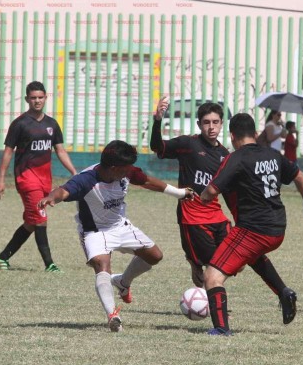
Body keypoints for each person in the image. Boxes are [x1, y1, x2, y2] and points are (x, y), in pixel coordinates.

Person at [150, 97, 300, 326]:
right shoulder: (188, 145)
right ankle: (218, 310)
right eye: (206, 122)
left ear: (223, 126)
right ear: (199, 125)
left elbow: (231, 193)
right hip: (194, 219)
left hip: (218, 218)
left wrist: (241, 220)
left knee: (245, 256)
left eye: (216, 122)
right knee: (216, 267)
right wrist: (158, 121)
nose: (211, 127)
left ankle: (281, 291)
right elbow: (158, 148)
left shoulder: (226, 155)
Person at [37, 140, 193, 332]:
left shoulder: (126, 172)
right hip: (95, 231)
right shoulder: (87, 179)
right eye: (125, 168)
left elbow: (147, 181)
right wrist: (51, 197)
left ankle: (123, 282)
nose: (129, 171)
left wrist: (179, 193)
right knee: (102, 266)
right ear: (112, 168)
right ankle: (113, 315)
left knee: (155, 256)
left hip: (120, 226)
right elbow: (64, 190)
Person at [200, 112, 303, 336]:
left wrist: (200, 196)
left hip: (254, 229)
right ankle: (284, 293)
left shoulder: (235, 158)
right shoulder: (272, 154)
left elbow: (211, 192)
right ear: (255, 134)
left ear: (232, 135)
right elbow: (300, 176)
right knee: (252, 255)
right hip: (278, 228)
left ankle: (221, 328)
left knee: (212, 277)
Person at [0, 81, 77, 272]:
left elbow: (60, 150)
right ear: (26, 99)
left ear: (46, 98)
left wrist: (73, 172)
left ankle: (1, 258)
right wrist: (0, 180)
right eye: (33, 98)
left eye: (40, 97)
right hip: (26, 178)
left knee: (31, 223)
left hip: (44, 180)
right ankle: (50, 265)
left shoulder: (52, 124)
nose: (37, 101)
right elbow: (8, 152)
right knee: (41, 220)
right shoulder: (20, 124)